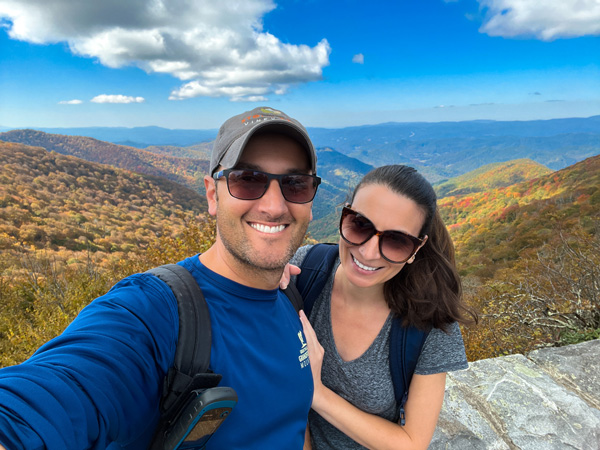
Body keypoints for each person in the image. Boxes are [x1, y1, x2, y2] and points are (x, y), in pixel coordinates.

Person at [0, 106, 320, 450]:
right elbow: (52, 396)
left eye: (295, 184)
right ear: (213, 194)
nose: (274, 206)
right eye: (248, 180)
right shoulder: (156, 311)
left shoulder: (291, 298)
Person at [290, 165, 477, 450]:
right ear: (346, 214)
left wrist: (317, 393)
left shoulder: (429, 324)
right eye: (360, 224)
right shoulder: (305, 269)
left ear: (417, 248)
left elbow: (411, 443)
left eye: (396, 241)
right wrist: (265, 276)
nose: (368, 252)